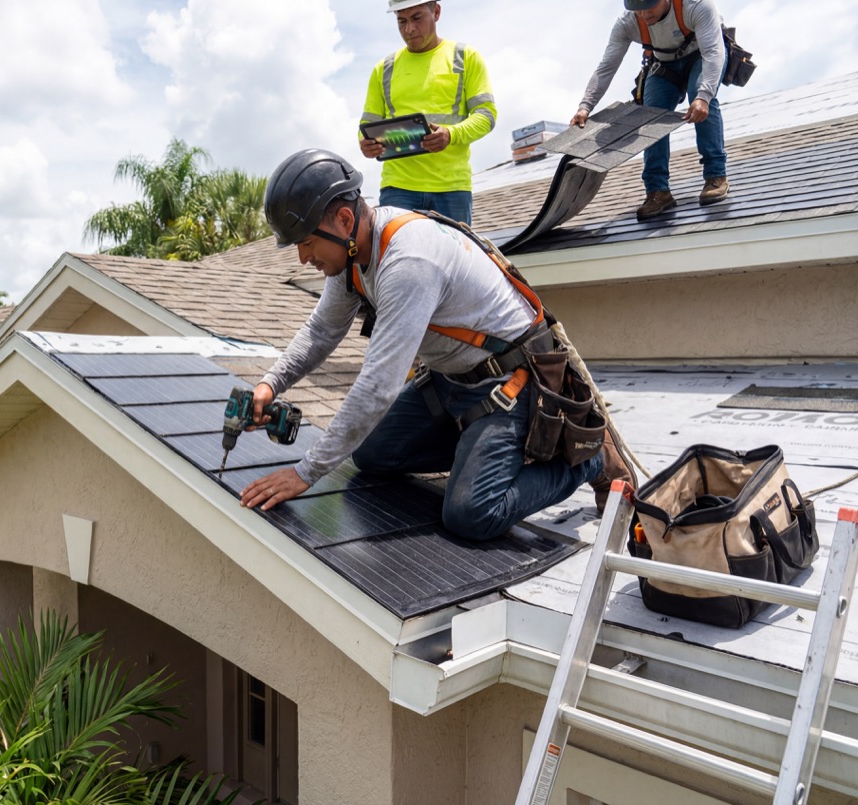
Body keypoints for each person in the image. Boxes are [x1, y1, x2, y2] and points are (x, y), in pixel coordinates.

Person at [240, 149, 632, 539]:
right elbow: (320, 333)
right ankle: (479, 452)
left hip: (511, 385)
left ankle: (590, 459)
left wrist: (304, 473)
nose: (302, 257)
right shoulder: (353, 257)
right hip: (451, 381)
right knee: (372, 455)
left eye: (306, 242)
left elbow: (378, 386)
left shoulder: (408, 261)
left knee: (471, 514)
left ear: (343, 220)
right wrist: (270, 384)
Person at [571, 0, 729, 221]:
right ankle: (658, 191)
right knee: (649, 116)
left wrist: (703, 96)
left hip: (702, 56)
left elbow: (713, 52)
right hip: (663, 65)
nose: (644, 14)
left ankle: (716, 176)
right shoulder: (627, 23)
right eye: (637, 9)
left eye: (649, 6)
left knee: (702, 100)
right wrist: (585, 106)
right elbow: (607, 67)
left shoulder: (696, 6)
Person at [358, 0, 496, 226]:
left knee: (454, 260)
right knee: (399, 260)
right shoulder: (383, 69)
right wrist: (365, 143)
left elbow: (486, 116)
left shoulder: (465, 58)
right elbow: (367, 124)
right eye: (401, 21)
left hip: (452, 188)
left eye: (417, 18)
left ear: (437, 12)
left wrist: (451, 134)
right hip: (398, 187)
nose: (409, 29)